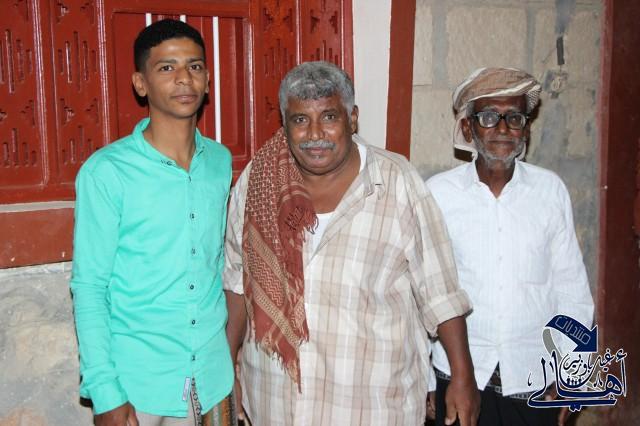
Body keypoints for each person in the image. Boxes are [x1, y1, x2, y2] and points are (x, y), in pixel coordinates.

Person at [223, 61, 480, 426]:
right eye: (300, 120)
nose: (315, 134)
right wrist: (226, 367)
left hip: (369, 405)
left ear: (352, 118)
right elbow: (237, 280)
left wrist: (462, 377)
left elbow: (440, 292)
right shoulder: (258, 181)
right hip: (273, 402)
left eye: (329, 117)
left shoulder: (396, 182)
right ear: (285, 123)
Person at [70, 19, 235, 426]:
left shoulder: (219, 162)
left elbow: (215, 264)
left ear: (207, 80)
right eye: (166, 68)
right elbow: (90, 287)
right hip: (139, 385)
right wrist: (105, 392)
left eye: (195, 66)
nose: (184, 79)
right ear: (140, 84)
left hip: (212, 379)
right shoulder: (107, 172)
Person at [425, 67, 595, 426]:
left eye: (514, 118)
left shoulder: (550, 191)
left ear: (526, 130)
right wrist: (425, 381)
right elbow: (422, 294)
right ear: (468, 129)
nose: (503, 129)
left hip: (534, 381)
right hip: (457, 379)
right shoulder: (439, 194)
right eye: (489, 117)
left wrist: (573, 372)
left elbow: (572, 291)